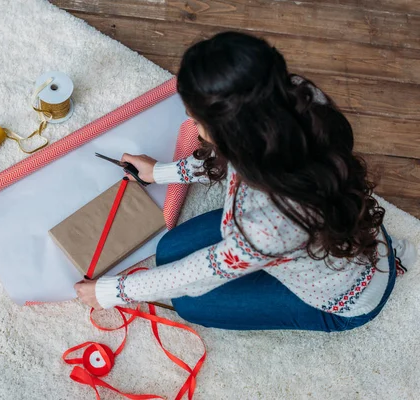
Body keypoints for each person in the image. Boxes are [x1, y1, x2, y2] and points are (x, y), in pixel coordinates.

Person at [74, 31, 417, 332]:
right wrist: (160, 172)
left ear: (228, 132)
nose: (191, 124)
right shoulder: (297, 96)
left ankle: (387, 271)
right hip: (321, 234)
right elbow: (227, 160)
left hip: (344, 299)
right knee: (168, 250)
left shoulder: (265, 225)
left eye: (193, 118)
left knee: (189, 304)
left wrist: (111, 292)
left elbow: (202, 272)